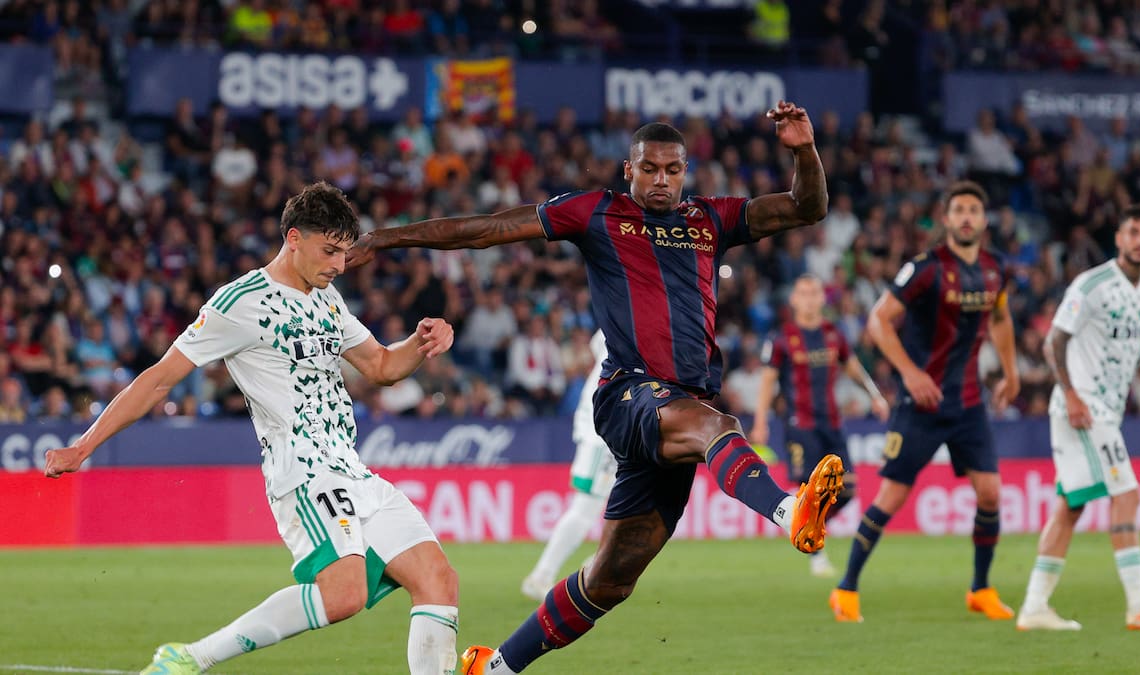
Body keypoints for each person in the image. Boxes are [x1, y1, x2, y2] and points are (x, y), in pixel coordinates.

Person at [348, 101, 840, 674]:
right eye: (649, 168)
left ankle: (495, 667)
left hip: (678, 410)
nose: (661, 180)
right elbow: (489, 229)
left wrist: (804, 149)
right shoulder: (597, 213)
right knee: (719, 427)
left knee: (610, 579)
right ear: (627, 170)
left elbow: (809, 207)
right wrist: (386, 238)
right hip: (629, 393)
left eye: (672, 170)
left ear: (685, 172)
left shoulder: (712, 219)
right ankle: (788, 510)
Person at [44, 183, 461, 675]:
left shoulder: (327, 299)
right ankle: (190, 658)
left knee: (438, 579)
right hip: (304, 473)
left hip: (353, 470)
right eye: (329, 252)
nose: (339, 265)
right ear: (293, 238)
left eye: (345, 254)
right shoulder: (242, 301)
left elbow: (382, 366)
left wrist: (420, 341)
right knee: (344, 593)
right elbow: (159, 380)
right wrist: (84, 445)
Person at [829, 181, 1020, 623]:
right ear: (948, 219)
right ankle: (846, 588)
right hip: (922, 405)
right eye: (959, 210)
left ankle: (981, 588)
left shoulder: (995, 269)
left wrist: (1011, 374)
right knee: (892, 498)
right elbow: (878, 321)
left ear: (984, 220)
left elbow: (1002, 319)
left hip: (969, 403)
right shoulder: (926, 269)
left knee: (990, 493)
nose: (967, 216)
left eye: (974, 209)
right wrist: (910, 374)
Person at [1016, 204, 1140, 631]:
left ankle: (1035, 607)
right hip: (1085, 410)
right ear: (1119, 238)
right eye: (1133, 231)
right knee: (1127, 493)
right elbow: (1053, 342)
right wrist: (1073, 395)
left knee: (1071, 507)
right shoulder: (1092, 284)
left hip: (1102, 411)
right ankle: (1139, 603)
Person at [749, 274, 890, 577]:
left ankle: (809, 525)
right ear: (794, 300)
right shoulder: (782, 338)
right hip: (800, 425)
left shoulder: (832, 334)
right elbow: (768, 381)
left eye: (814, 293)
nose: (810, 298)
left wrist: (875, 396)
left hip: (832, 423)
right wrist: (760, 421)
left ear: (822, 299)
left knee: (848, 490)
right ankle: (816, 554)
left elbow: (853, 369)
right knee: (811, 491)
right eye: (803, 293)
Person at [520, 329, 616, 600]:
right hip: (602, 433)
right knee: (585, 509)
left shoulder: (620, 315)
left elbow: (597, 343)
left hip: (609, 427)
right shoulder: (635, 319)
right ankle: (542, 575)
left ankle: (600, 563)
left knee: (634, 497)